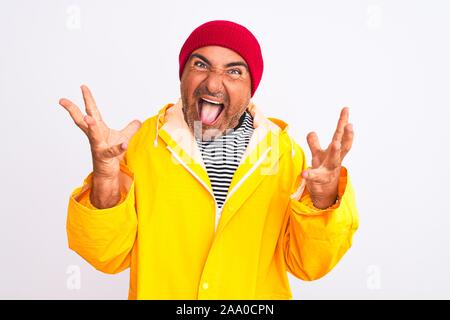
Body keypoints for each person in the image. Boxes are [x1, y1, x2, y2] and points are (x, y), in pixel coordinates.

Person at [59, 20, 358, 300]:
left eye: (234, 71)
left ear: (250, 88)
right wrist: (106, 176)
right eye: (201, 65)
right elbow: (105, 255)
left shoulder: (284, 154)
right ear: (183, 74)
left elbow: (308, 264)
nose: (213, 84)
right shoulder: (141, 144)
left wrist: (323, 201)